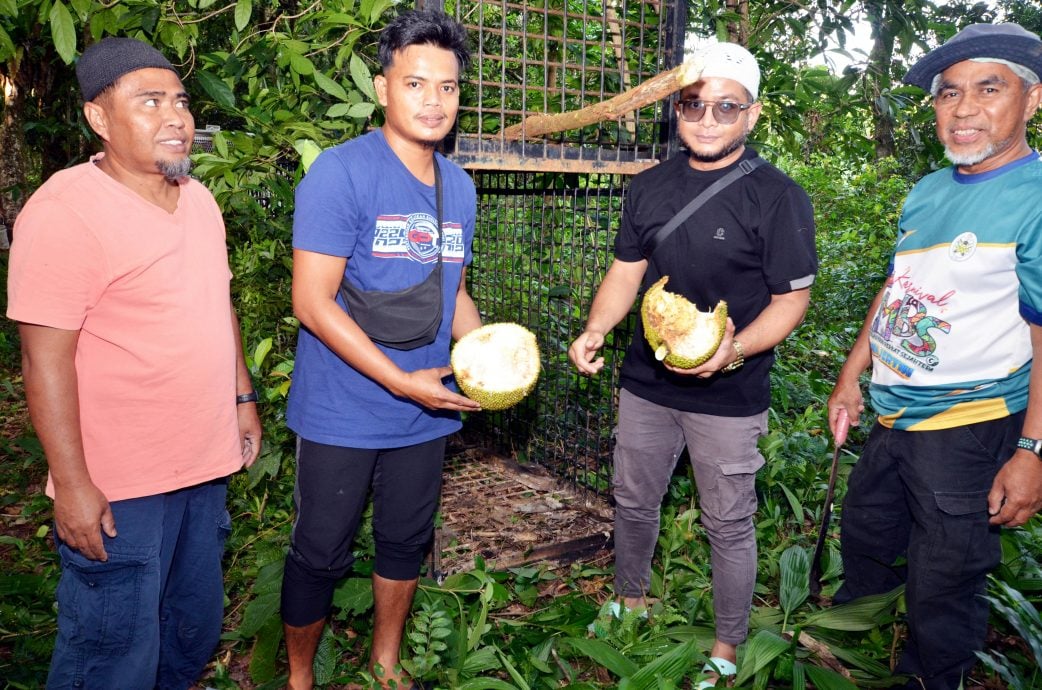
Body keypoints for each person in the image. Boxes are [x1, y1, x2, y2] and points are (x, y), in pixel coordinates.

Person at [5, 37, 262, 689]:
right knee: (112, 649)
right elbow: (44, 363)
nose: (176, 117)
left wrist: (241, 398)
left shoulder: (197, 200)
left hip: (203, 461)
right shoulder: (66, 212)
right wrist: (75, 485)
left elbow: (217, 303)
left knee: (191, 628)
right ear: (99, 118)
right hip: (120, 481)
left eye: (180, 100)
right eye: (150, 101)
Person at [568, 41, 817, 688]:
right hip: (646, 382)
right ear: (677, 109)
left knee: (727, 520)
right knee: (632, 498)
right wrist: (596, 329)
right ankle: (629, 599)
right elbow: (626, 275)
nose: (707, 119)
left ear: (752, 115)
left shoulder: (778, 197)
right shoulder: (650, 187)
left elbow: (792, 301)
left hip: (731, 395)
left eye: (726, 107)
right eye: (693, 104)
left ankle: (728, 646)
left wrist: (734, 349)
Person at [826, 22, 1042, 690]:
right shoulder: (927, 191)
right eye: (949, 94)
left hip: (968, 425)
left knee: (944, 580)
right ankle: (849, 651)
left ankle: (928, 678)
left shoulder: (1034, 196)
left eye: (988, 88)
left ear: (1032, 100)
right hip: (893, 418)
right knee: (866, 533)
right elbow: (898, 290)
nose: (965, 108)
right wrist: (850, 376)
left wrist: (1032, 452)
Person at [279, 9, 480, 689]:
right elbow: (312, 301)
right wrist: (400, 381)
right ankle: (300, 678)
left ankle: (385, 667)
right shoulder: (339, 175)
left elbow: (450, 289)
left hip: (426, 408)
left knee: (404, 541)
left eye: (448, 87)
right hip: (346, 404)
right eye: (416, 83)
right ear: (381, 87)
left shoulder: (462, 188)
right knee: (320, 549)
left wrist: (490, 350)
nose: (433, 100)